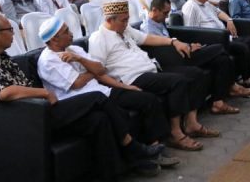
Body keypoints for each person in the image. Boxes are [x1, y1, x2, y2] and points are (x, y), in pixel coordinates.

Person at [0, 13, 162, 179]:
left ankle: (113, 172)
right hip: (30, 118)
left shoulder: (3, 58)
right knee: (97, 98)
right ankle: (133, 148)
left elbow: (98, 70)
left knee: (99, 120)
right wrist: (43, 92)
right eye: (9, 29)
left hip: (39, 108)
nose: (13, 33)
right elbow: (4, 93)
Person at [36, 17, 179, 170]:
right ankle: (137, 153)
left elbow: (101, 69)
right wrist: (92, 71)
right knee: (109, 116)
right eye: (66, 31)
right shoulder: (48, 60)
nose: (71, 34)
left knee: (147, 99)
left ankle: (154, 150)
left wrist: (80, 60)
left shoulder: (74, 50)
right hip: (81, 103)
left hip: (103, 92)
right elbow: (77, 83)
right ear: (54, 39)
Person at [88, 0, 215, 151]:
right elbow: (98, 72)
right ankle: (175, 133)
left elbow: (147, 38)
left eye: (127, 18)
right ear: (110, 20)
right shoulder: (98, 38)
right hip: (133, 77)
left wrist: (173, 41)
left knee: (194, 74)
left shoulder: (124, 29)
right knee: (177, 82)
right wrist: (124, 87)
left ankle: (191, 123)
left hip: (151, 70)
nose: (127, 23)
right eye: (124, 20)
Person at [141, 0, 250, 114]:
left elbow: (172, 41)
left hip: (182, 52)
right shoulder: (148, 28)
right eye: (165, 13)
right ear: (154, 10)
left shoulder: (159, 21)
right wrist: (189, 47)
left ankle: (218, 103)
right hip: (176, 59)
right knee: (220, 47)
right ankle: (232, 85)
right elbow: (163, 49)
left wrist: (189, 45)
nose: (167, 16)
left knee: (222, 60)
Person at [179, 0, 250, 88]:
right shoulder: (191, 7)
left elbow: (219, 12)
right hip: (212, 41)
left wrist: (229, 20)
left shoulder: (206, 3)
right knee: (242, 47)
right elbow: (191, 32)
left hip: (225, 36)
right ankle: (247, 79)